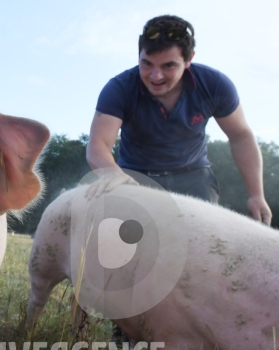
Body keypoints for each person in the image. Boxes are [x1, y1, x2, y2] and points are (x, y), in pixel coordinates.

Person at [86, 15, 272, 226]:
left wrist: (257, 195)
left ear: (189, 59)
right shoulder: (119, 88)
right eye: (146, 64)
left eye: (168, 66)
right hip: (135, 177)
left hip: (194, 176)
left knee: (207, 244)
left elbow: (240, 136)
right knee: (133, 247)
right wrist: (113, 174)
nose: (155, 76)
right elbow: (98, 144)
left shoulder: (214, 84)